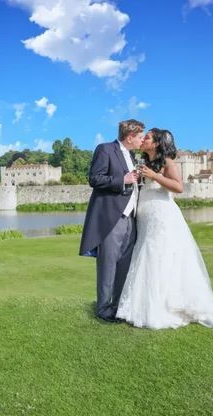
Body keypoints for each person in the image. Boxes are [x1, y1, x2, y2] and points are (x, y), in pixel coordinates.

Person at [116, 128, 213, 329]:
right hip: (145, 215)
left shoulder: (167, 162)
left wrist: (154, 176)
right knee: (146, 254)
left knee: (157, 254)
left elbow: (178, 187)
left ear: (156, 143)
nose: (144, 139)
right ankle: (144, 305)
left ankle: (164, 307)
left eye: (147, 137)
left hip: (161, 214)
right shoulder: (144, 161)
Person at [79, 119, 145, 323]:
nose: (142, 140)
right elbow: (94, 178)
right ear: (130, 136)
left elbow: (133, 184)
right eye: (140, 137)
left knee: (124, 264)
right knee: (108, 265)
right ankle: (103, 309)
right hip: (111, 217)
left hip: (131, 219)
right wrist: (121, 181)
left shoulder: (133, 156)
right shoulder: (105, 149)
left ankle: (118, 306)